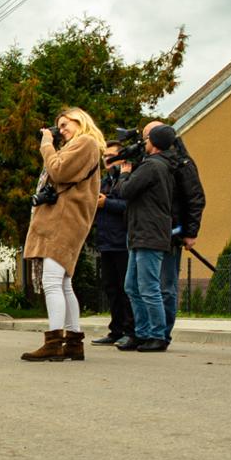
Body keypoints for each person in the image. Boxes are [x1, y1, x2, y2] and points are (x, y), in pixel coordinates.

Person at [19, 108, 104, 362]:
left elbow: (58, 171)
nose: (62, 130)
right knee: (64, 283)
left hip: (65, 220)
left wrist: (47, 143)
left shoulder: (86, 142)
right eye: (59, 127)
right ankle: (74, 343)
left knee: (52, 282)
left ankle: (54, 342)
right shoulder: (80, 145)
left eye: (65, 125)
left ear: (81, 121)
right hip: (65, 218)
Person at [115, 124, 180, 353]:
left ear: (153, 142)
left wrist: (124, 174)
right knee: (132, 285)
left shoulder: (153, 166)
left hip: (148, 233)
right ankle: (141, 332)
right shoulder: (160, 165)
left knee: (148, 286)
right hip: (140, 232)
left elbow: (126, 191)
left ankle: (157, 334)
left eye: (147, 139)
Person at [143, 119, 205, 333]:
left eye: (147, 138)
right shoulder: (150, 161)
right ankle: (147, 329)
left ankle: (162, 331)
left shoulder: (182, 163)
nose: (145, 143)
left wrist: (190, 232)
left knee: (165, 285)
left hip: (172, 230)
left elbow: (195, 198)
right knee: (148, 285)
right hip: (151, 230)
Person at [89, 140, 133, 346]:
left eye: (112, 155)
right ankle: (115, 330)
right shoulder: (105, 181)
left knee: (125, 289)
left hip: (123, 241)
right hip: (106, 241)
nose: (107, 159)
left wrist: (107, 203)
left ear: (122, 158)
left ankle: (129, 329)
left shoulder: (127, 178)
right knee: (111, 288)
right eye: (105, 155)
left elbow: (129, 205)